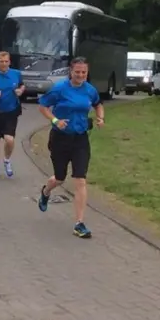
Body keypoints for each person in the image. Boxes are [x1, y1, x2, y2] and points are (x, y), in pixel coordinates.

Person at [36, 56, 105, 239]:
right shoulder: (59, 89)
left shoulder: (90, 90)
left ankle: (79, 223)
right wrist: (55, 120)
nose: (81, 75)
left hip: (80, 139)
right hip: (60, 139)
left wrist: (100, 118)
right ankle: (45, 192)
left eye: (84, 72)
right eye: (77, 72)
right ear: (70, 72)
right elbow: (43, 106)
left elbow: (98, 105)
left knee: (80, 179)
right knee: (59, 178)